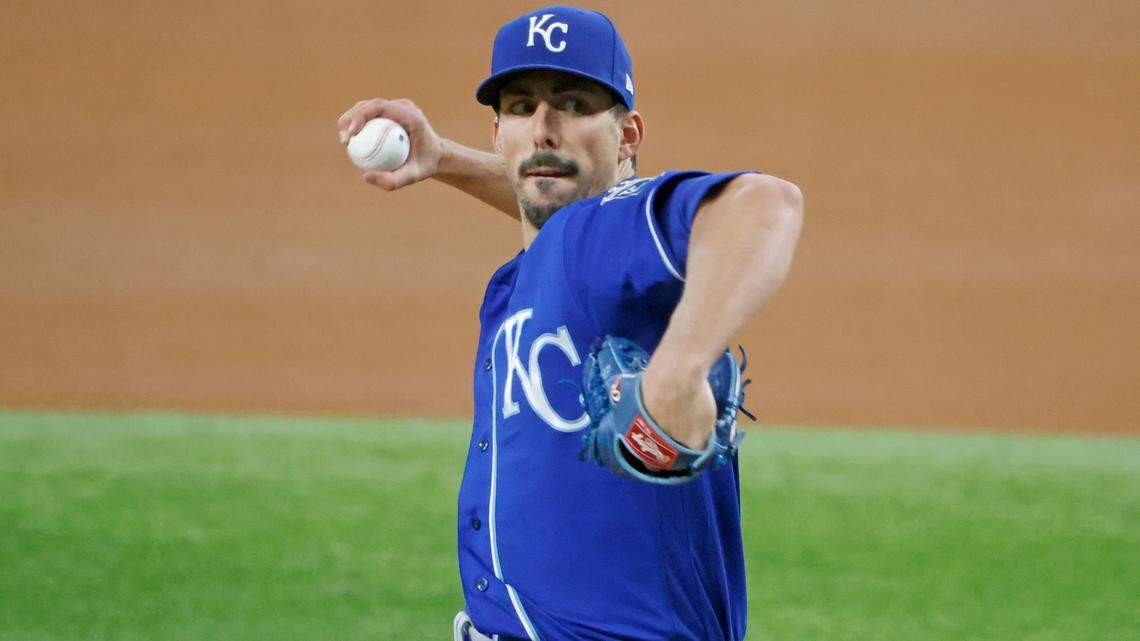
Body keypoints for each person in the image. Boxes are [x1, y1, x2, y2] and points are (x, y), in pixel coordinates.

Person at [337, 6, 803, 641]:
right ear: (497, 130)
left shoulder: (605, 230)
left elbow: (765, 204)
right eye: (521, 107)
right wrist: (442, 157)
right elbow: (548, 199)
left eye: (575, 103)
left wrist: (678, 366)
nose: (543, 128)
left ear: (628, 135)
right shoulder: (552, 258)